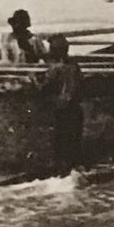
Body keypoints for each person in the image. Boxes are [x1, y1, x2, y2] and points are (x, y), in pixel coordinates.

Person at [35, 35, 82, 176]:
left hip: (63, 110)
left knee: (61, 144)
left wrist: (32, 78)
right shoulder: (74, 66)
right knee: (74, 142)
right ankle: (72, 172)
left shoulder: (56, 69)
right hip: (76, 109)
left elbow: (42, 88)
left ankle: (61, 174)